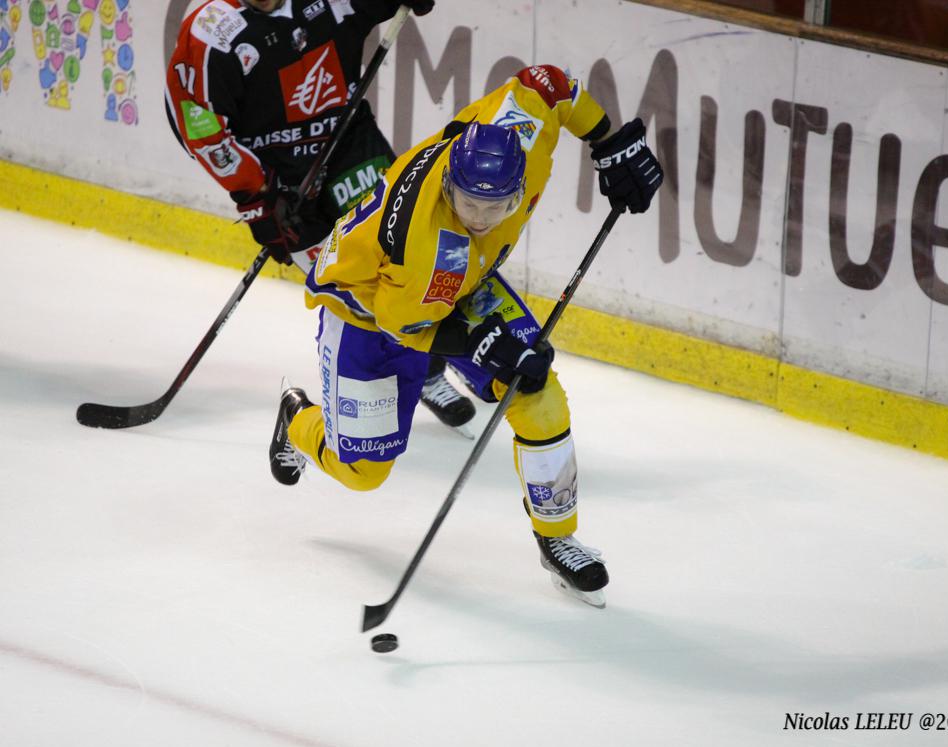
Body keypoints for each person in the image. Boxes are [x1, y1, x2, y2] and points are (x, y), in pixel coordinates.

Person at [267, 64, 663, 606]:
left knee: (537, 394)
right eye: (466, 202)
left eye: (492, 205)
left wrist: (608, 140)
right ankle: (298, 421)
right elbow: (405, 323)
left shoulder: (517, 132)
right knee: (363, 473)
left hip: (455, 288)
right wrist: (480, 344)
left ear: (519, 184)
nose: (479, 216)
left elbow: (546, 84)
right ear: (450, 182)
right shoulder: (427, 246)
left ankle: (557, 538)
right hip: (368, 314)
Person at [164, 0, 475, 430]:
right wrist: (259, 200)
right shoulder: (212, 32)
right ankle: (380, 379)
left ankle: (430, 368)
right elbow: (201, 130)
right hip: (281, 179)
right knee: (351, 287)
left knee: (406, 251)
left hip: (348, 143)